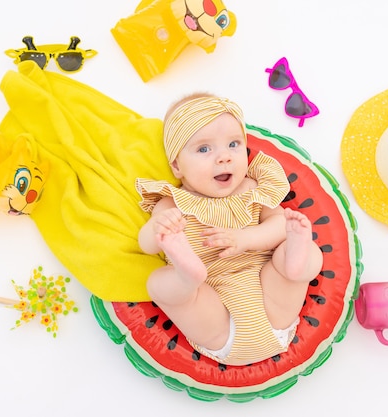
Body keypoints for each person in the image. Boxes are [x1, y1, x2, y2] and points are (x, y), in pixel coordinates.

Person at [135, 93, 324, 366]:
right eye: (204, 149)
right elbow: (147, 245)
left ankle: (296, 267)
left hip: (273, 302)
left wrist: (246, 238)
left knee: (303, 251)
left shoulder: (253, 189)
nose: (224, 157)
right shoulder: (172, 203)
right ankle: (188, 277)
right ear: (177, 166)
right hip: (218, 321)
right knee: (159, 282)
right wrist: (159, 228)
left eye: (233, 144)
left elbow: (280, 224)